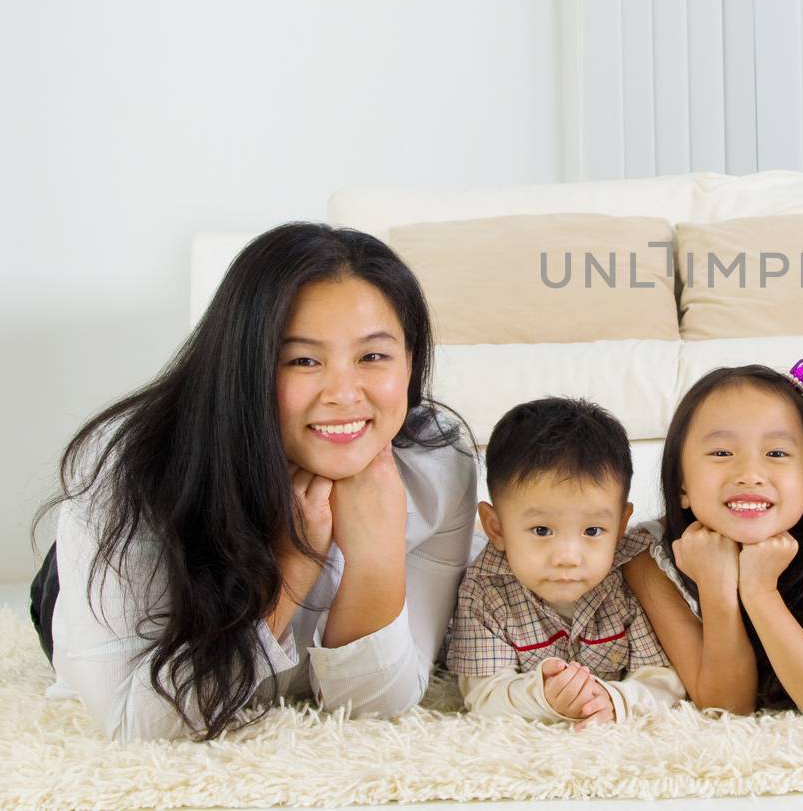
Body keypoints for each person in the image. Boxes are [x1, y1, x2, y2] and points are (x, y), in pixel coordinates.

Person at [30, 222, 479, 740]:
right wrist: (290, 566)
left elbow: (378, 707)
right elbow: (141, 724)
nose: (344, 393)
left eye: (373, 356)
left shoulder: (438, 459)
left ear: (410, 361)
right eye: (303, 360)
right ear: (248, 366)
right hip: (139, 564)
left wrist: (376, 555)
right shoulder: (122, 476)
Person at [622, 363, 803, 714]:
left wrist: (761, 590)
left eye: (776, 453)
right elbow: (727, 708)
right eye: (721, 453)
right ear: (681, 484)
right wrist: (717, 587)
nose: (750, 475)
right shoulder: (649, 559)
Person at [445, 397, 684, 724]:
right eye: (542, 530)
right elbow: (483, 695)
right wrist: (544, 695)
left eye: (593, 530)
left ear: (621, 525)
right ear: (496, 527)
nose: (568, 557)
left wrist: (615, 701)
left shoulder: (629, 578)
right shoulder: (484, 591)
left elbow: (662, 678)